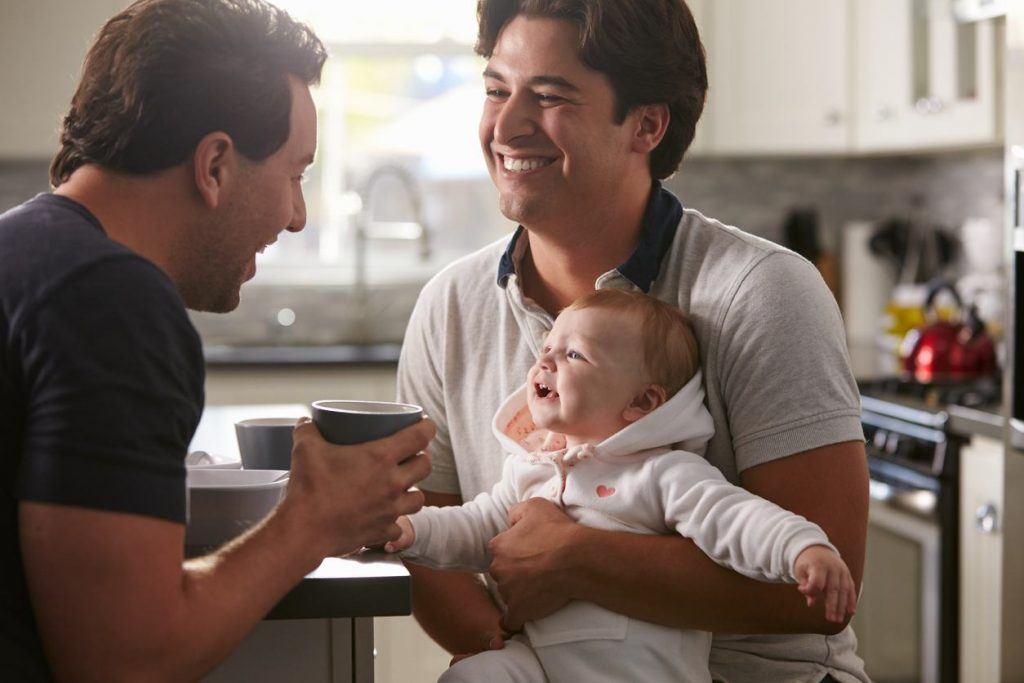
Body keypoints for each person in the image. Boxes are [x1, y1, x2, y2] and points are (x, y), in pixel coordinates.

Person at [396, 0, 870, 681]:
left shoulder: (763, 293)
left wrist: (577, 558)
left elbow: (826, 587)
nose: (506, 125)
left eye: (550, 96)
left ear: (646, 124)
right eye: (496, 90)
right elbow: (427, 549)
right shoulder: (450, 307)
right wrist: (528, 663)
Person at [0, 1, 433, 680]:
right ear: (215, 166)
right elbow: (122, 662)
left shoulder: (24, 248)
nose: (297, 216)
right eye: (295, 174)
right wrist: (312, 520)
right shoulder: (113, 301)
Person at [389, 290, 857, 683]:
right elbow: (477, 528)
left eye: (573, 355)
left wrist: (803, 548)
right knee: (469, 677)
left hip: (641, 671)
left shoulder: (663, 472)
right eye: (546, 350)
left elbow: (735, 519)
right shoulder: (530, 471)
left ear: (641, 401)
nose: (547, 360)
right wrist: (408, 530)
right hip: (539, 664)